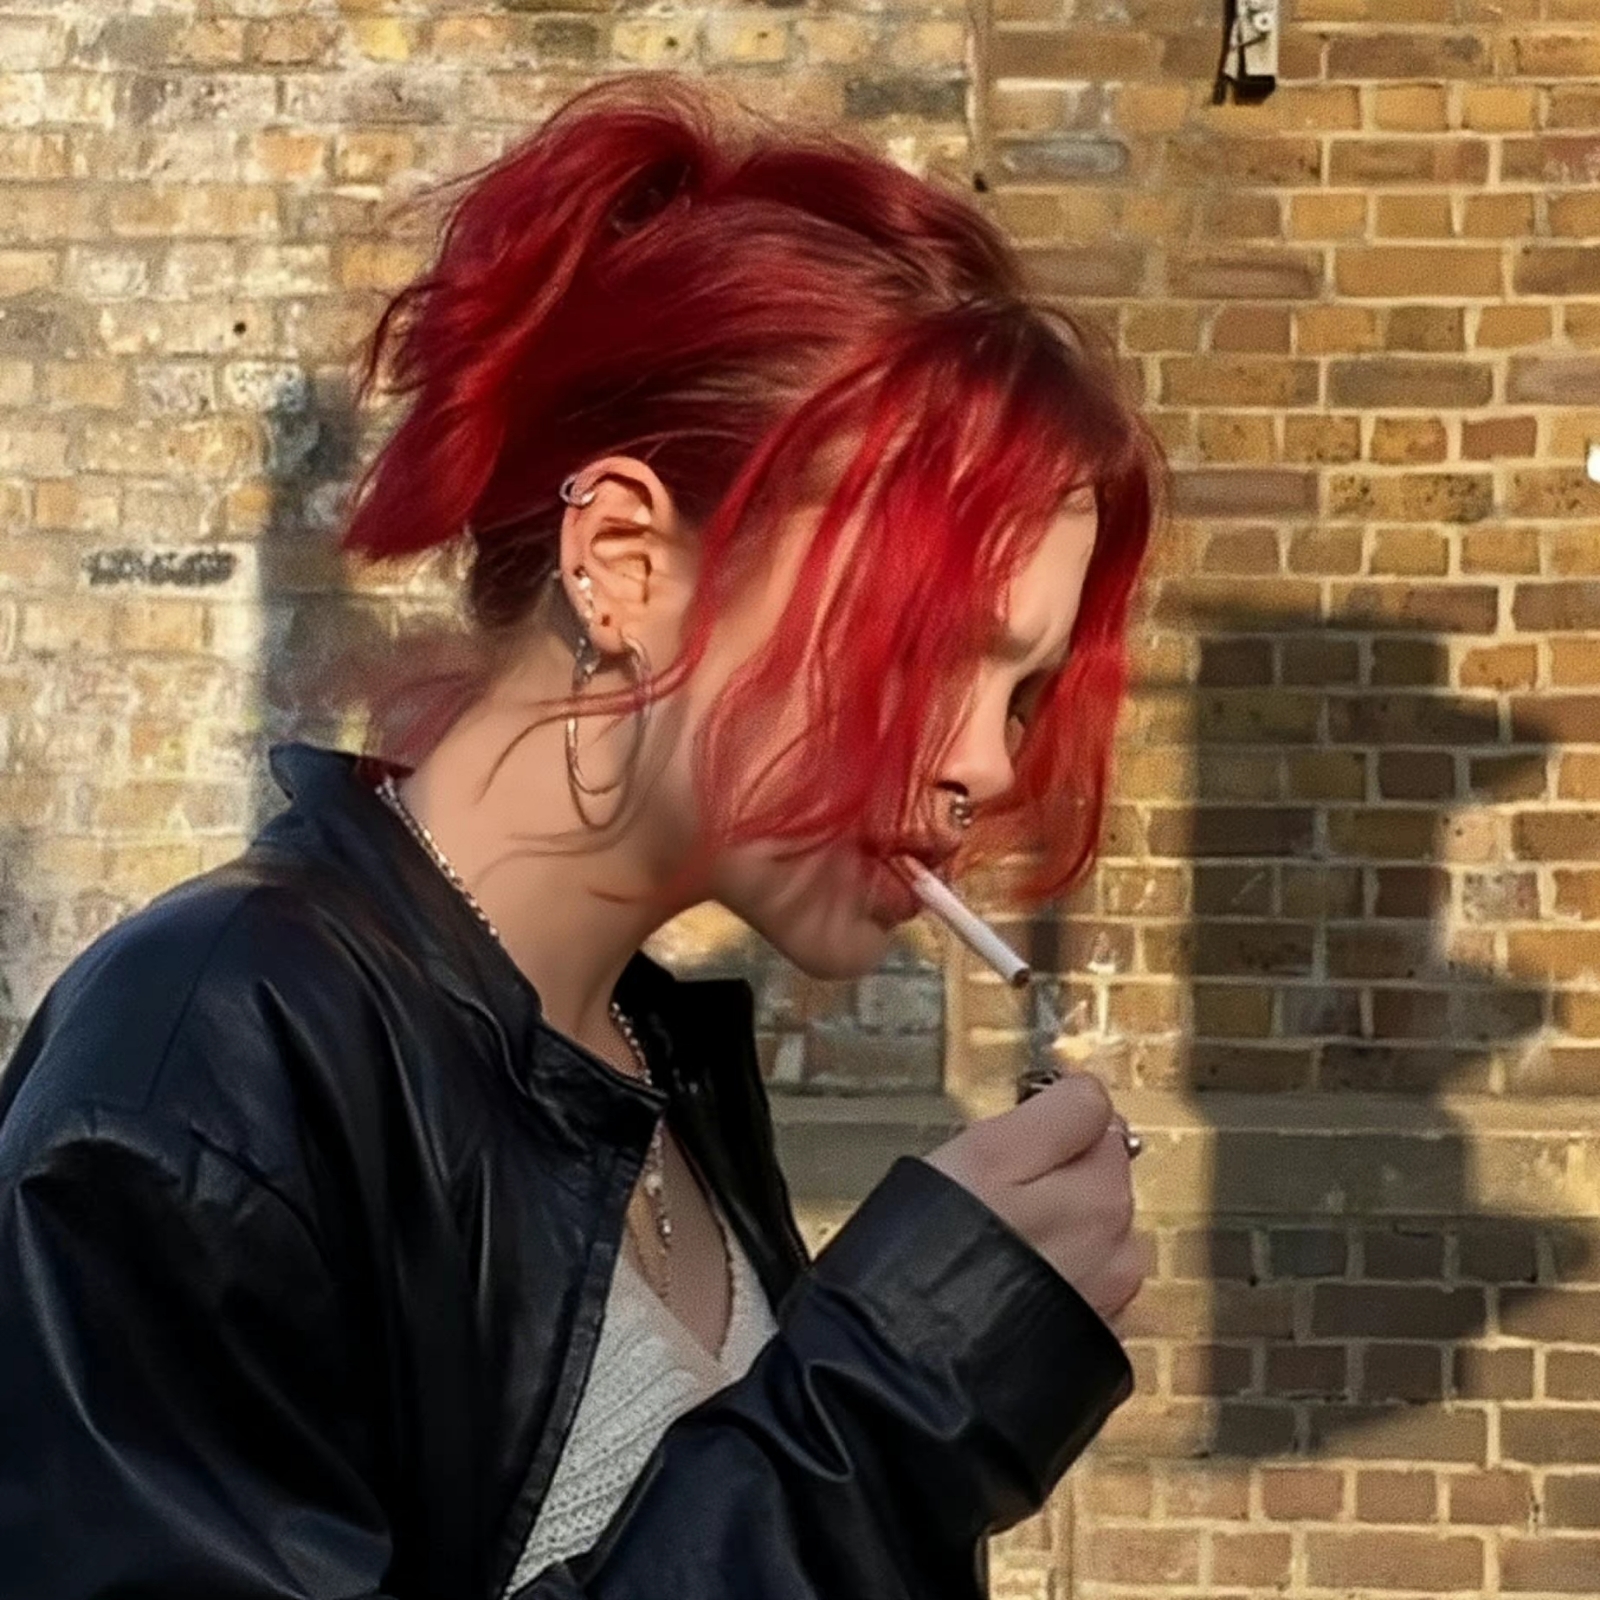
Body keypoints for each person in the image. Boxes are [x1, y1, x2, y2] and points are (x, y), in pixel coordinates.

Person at [0, 71, 1161, 1600]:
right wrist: (887, 1420)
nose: (985, 764)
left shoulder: (657, 1069)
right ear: (624, 562)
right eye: (928, 645)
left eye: (1020, 694)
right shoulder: (212, 1062)